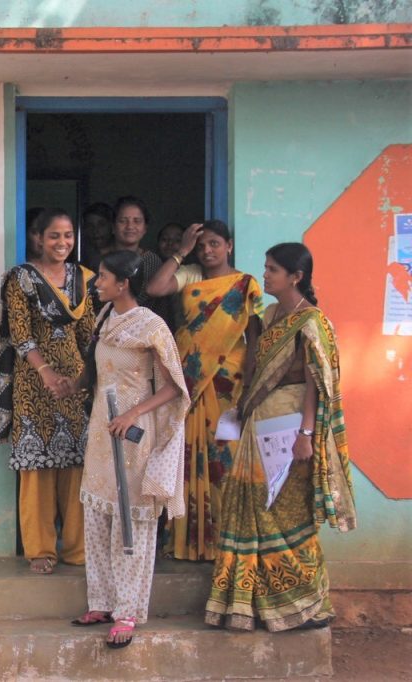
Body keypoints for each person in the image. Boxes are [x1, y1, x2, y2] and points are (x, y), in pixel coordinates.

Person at [206, 242, 356, 632]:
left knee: (284, 515)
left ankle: (305, 605)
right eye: (266, 266)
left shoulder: (312, 323)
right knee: (253, 510)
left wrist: (306, 435)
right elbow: (255, 367)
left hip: (289, 432)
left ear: (296, 277)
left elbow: (314, 386)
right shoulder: (271, 314)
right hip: (260, 426)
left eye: (273, 269)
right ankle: (249, 605)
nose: (266, 274)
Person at [72, 250, 189, 648]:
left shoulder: (152, 325)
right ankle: (101, 602)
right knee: (97, 516)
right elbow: (98, 371)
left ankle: (127, 612)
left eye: (103, 277)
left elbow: (174, 385)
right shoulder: (105, 319)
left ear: (123, 284)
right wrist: (71, 385)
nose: (97, 282)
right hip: (103, 434)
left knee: (131, 523)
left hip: (134, 436)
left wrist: (134, 413)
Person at [0, 208, 96, 574]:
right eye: (54, 236)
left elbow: (88, 336)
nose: (62, 243)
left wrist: (87, 378)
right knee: (36, 466)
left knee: (78, 464)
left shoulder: (85, 279)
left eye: (67, 236)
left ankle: (78, 550)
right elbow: (21, 333)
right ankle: (41, 551)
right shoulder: (21, 279)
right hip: (34, 383)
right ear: (38, 238)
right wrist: (45, 372)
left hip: (75, 385)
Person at [146, 220, 263, 560]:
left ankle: (224, 541)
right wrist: (181, 253)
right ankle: (187, 540)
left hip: (230, 381)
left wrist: (252, 376)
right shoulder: (191, 274)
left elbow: (253, 334)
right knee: (186, 456)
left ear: (229, 245)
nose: (208, 251)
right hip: (191, 380)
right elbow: (156, 288)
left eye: (214, 244)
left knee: (223, 459)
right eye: (201, 246)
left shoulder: (245, 284)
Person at [111, 197, 171, 325]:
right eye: (123, 221)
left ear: (145, 228)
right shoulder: (102, 262)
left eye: (137, 221)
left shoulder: (152, 261)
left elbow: (158, 305)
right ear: (113, 227)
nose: (130, 226)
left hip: (144, 331)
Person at [80, 202, 115, 272]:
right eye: (90, 225)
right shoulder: (82, 259)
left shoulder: (122, 260)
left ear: (112, 226)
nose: (95, 230)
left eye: (101, 225)